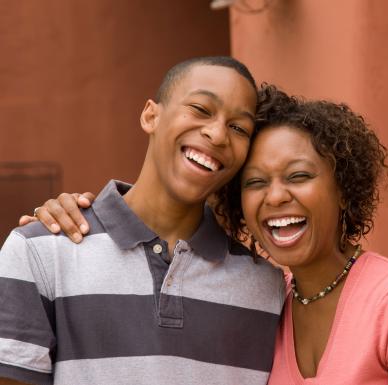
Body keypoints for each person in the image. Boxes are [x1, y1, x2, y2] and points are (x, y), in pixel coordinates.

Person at [22, 87, 388, 384]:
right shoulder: (267, 298)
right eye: (255, 183)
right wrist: (69, 222)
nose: (276, 197)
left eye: (298, 176)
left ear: (344, 191)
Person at [0, 57, 285, 385]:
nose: (218, 134)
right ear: (151, 115)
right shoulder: (39, 252)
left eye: (239, 128)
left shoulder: (268, 287)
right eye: (201, 109)